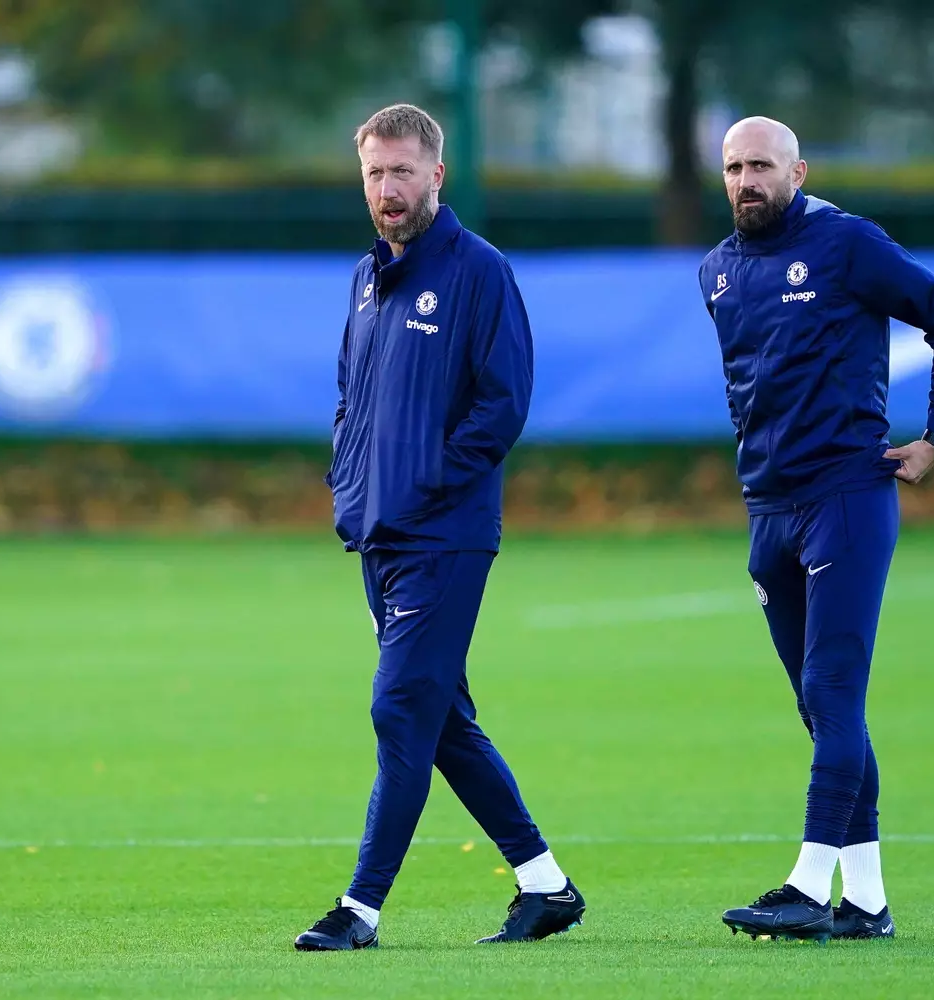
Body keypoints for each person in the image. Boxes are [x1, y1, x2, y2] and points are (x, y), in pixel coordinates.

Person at [294, 104, 584, 951]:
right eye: (375, 174)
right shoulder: (363, 279)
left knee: (400, 706)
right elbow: (352, 397)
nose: (388, 189)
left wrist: (426, 486)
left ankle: (360, 909)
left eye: (402, 172)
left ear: (436, 177)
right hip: (379, 535)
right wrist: (352, 487)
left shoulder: (479, 272)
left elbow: (503, 406)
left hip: (447, 534)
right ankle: (546, 886)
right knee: (440, 716)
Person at [700, 117, 934, 942]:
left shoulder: (847, 244)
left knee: (833, 693)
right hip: (767, 510)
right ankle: (865, 902)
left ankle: (805, 883)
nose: (747, 180)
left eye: (762, 165)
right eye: (733, 167)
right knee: (822, 713)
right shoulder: (716, 272)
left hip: (847, 500)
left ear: (798, 170)